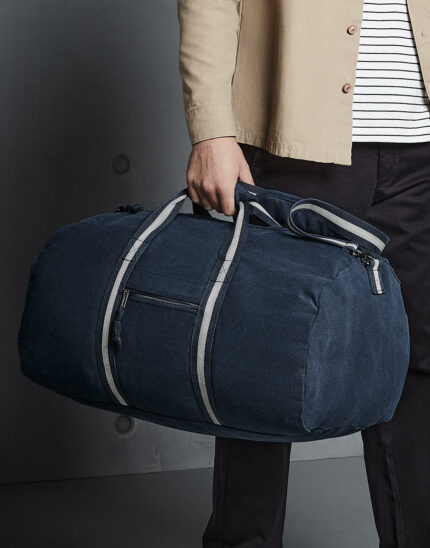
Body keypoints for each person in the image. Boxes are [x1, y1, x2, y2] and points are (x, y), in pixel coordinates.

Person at [176, 1, 430, 546]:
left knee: (417, 360)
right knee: (264, 359)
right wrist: (211, 130)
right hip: (295, 140)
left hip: (421, 147)